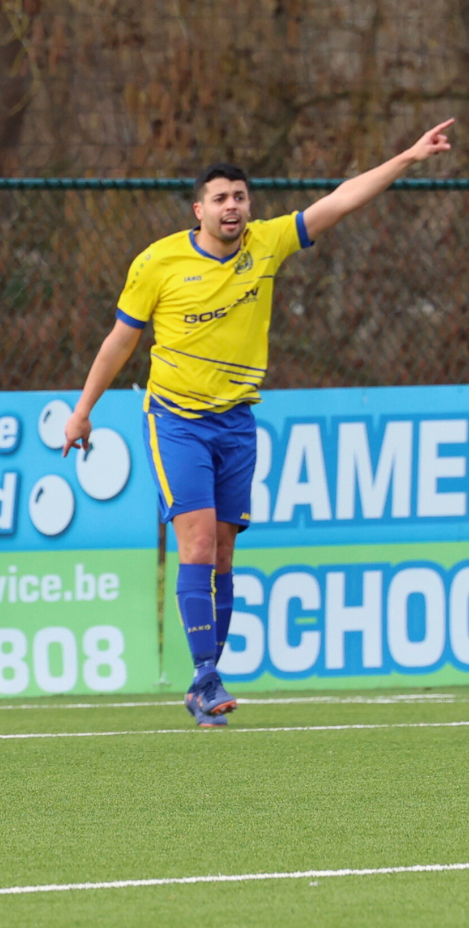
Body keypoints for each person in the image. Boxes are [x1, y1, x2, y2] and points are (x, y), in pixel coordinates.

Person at [62, 120, 454, 727]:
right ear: (199, 209)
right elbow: (119, 341)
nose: (232, 207)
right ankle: (205, 677)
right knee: (194, 543)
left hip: (237, 421)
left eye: (240, 197)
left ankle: (204, 683)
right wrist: (82, 411)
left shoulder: (266, 245)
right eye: (220, 198)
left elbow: (341, 199)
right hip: (177, 420)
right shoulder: (157, 262)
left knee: (222, 556)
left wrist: (406, 156)